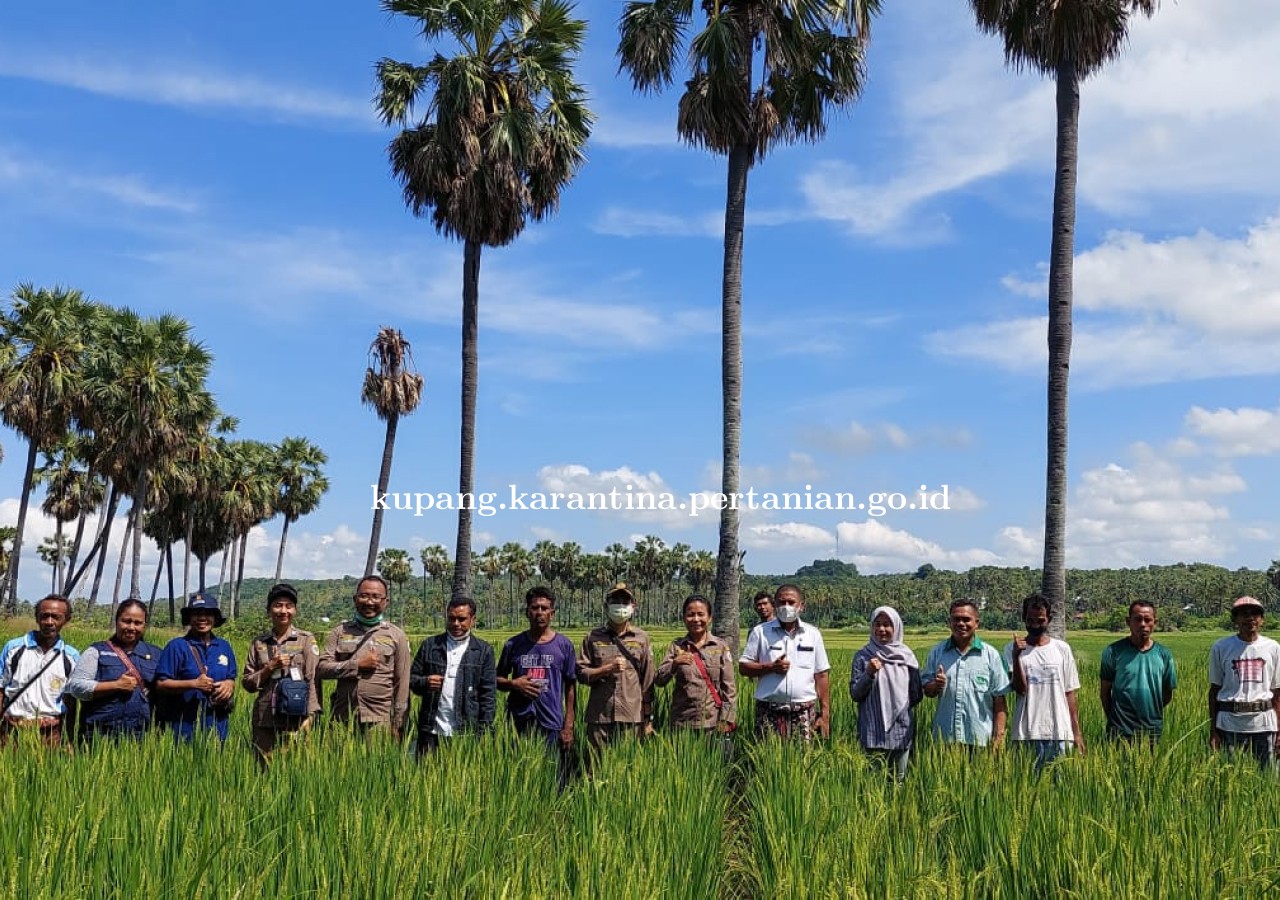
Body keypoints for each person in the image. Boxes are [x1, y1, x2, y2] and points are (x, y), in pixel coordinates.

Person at [496, 586, 577, 787]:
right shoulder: (513, 645)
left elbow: (570, 687)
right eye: (534, 608)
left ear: (552, 613)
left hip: (551, 720)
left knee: (553, 776)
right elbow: (496, 679)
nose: (539, 612)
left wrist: (568, 725)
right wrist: (513, 684)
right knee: (519, 775)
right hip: (518, 720)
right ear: (527, 612)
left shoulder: (564, 645)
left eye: (544, 608)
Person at [317, 575, 411, 739]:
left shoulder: (397, 635)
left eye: (376, 597)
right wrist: (356, 665)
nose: (369, 602)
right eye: (364, 596)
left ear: (385, 602)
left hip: (379, 720)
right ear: (355, 599)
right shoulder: (339, 632)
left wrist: (399, 722)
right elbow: (322, 668)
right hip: (342, 718)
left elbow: (401, 683)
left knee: (377, 764)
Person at [240, 583, 321, 764]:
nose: (283, 610)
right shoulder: (259, 643)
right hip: (265, 719)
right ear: (269, 610)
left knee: (296, 770)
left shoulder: (305, 640)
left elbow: (313, 679)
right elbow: (247, 683)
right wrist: (269, 668)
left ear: (295, 610)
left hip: (297, 719)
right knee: (263, 770)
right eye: (277, 605)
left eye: (288, 606)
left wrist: (311, 716)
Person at [1003, 593, 1085, 772]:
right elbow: (1020, 690)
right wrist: (1017, 657)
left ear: (1049, 619)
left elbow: (1069, 693)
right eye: (1030, 620)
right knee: (1026, 788)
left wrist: (1076, 733)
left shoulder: (1061, 649)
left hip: (1060, 732)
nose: (1034, 625)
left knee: (1060, 788)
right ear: (1024, 618)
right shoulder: (1011, 649)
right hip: (1026, 732)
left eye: (1040, 620)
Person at [739, 583, 831, 741]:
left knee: (802, 760)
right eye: (782, 602)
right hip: (769, 709)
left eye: (791, 602)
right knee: (767, 758)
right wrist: (770, 667)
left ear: (801, 606)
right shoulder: (760, 632)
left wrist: (825, 714)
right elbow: (744, 667)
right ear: (775, 605)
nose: (786, 607)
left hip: (803, 709)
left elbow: (821, 675)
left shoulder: (812, 634)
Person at [65, 598, 161, 743]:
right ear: (116, 621)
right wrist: (116, 685)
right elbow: (77, 686)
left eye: (137, 623)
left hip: (140, 737)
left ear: (144, 625)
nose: (131, 627)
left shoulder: (156, 654)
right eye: (126, 621)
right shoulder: (96, 651)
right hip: (98, 735)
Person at [409, 597, 496, 757]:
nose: (456, 624)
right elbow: (412, 679)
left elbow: (488, 696)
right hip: (431, 730)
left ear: (473, 620)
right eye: (451, 618)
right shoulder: (430, 645)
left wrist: (485, 732)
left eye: (462, 619)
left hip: (466, 732)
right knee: (426, 778)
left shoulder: (483, 651)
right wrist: (426, 681)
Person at [922, 599, 1009, 749]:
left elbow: (999, 701)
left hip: (981, 740)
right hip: (945, 740)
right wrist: (936, 685)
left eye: (966, 619)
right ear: (949, 622)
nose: (961, 623)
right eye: (956, 619)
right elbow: (928, 691)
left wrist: (998, 739)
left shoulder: (991, 656)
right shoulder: (937, 653)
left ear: (977, 623)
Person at [578, 584, 655, 753]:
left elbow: (648, 681)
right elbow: (581, 673)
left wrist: (648, 719)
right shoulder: (592, 637)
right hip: (599, 716)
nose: (620, 606)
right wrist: (606, 669)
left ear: (633, 606)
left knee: (628, 769)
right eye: (615, 601)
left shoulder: (642, 638)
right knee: (595, 768)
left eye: (624, 601)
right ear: (606, 606)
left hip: (631, 716)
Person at [850, 606, 922, 781]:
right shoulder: (862, 656)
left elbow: (916, 694)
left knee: (899, 782)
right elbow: (855, 694)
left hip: (900, 730)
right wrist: (868, 673)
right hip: (872, 730)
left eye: (887, 624)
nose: (882, 629)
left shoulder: (907, 658)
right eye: (878, 624)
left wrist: (897, 708)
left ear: (896, 627)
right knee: (873, 784)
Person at [155, 593, 238, 743]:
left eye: (208, 614)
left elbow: (231, 678)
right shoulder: (176, 646)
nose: (202, 618)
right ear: (189, 618)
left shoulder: (224, 647)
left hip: (217, 726)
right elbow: (161, 684)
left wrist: (229, 685)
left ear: (215, 618)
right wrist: (193, 684)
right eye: (197, 614)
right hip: (183, 727)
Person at [1208, 595, 1280, 768]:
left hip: (1263, 723)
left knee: (1267, 779)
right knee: (1231, 778)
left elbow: (1277, 692)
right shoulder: (1221, 647)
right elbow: (1214, 690)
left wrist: (1279, 731)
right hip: (1230, 723)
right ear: (1235, 619)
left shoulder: (1273, 648)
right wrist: (1213, 731)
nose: (1250, 618)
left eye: (1255, 614)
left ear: (1262, 619)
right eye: (1244, 614)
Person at [0, 594, 80, 747]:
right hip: (12, 731)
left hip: (50, 734)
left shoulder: (71, 656)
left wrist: (69, 740)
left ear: (66, 620)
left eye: (56, 617)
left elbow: (70, 701)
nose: (49, 622)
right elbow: (1, 690)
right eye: (45, 616)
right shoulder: (13, 648)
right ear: (37, 618)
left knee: (49, 771)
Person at [655, 595, 737, 734]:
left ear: (710, 618)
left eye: (701, 614)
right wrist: (674, 664)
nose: (696, 619)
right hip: (681, 723)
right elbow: (659, 680)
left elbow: (729, 688)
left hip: (712, 723)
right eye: (690, 615)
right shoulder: (677, 646)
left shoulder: (720, 646)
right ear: (684, 618)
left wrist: (726, 719)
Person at [1100, 600, 1177, 742]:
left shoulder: (1164, 655)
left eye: (1148, 620)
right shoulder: (1113, 652)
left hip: (1152, 730)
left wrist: (1150, 710)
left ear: (1155, 622)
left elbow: (1167, 694)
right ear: (1128, 621)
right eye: (1137, 619)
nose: (1143, 624)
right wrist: (1114, 719)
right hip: (1119, 730)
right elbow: (1105, 692)